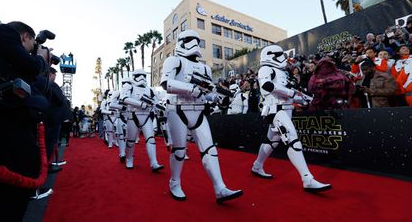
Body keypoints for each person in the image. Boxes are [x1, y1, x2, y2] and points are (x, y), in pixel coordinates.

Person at [161, 29, 243, 203]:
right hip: (177, 109)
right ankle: (174, 182)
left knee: (210, 150)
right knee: (179, 150)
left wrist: (218, 98)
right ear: (182, 42)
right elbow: (166, 83)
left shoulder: (204, 67)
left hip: (198, 110)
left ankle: (219, 187)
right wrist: (191, 89)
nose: (195, 44)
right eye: (191, 39)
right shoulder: (174, 60)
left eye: (197, 40)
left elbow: (207, 93)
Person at [0, 21, 50, 221]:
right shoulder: (4, 32)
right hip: (1, 119)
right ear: (25, 36)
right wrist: (40, 58)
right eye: (28, 46)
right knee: (15, 181)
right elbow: (30, 66)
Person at [251, 45, 332, 192]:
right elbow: (267, 86)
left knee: (272, 141)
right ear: (271, 56)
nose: (282, 57)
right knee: (292, 138)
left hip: (285, 109)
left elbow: (289, 91)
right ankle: (307, 179)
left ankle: (257, 166)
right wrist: (293, 94)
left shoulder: (282, 73)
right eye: (279, 54)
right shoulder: (266, 69)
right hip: (275, 109)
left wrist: (303, 98)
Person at [121, 69, 164, 171]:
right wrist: (140, 104)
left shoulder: (150, 90)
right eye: (139, 75)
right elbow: (124, 98)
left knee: (151, 139)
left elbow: (156, 102)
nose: (142, 78)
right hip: (133, 115)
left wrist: (159, 110)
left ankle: (154, 162)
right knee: (131, 140)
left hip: (146, 116)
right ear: (134, 77)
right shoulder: (129, 87)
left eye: (144, 76)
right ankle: (129, 159)